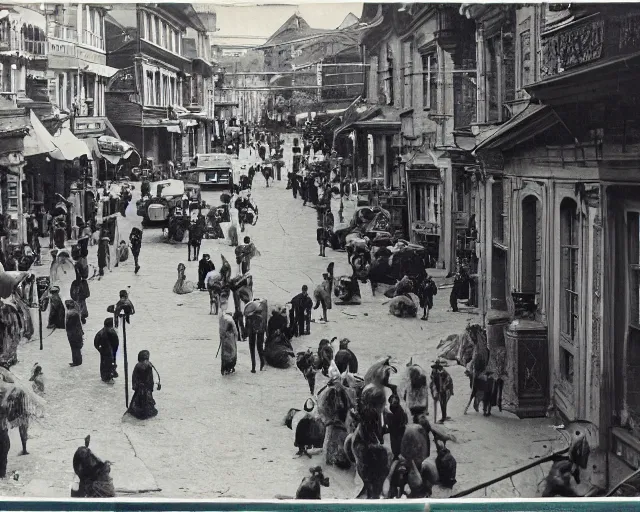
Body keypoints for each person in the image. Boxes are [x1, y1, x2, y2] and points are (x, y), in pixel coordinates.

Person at [127, 350, 158, 420]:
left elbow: (134, 376)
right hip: (146, 387)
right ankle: (145, 411)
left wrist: (135, 385)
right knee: (145, 399)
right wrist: (151, 387)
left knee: (139, 399)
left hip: (140, 387)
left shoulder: (138, 365)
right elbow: (150, 378)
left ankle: (140, 411)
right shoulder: (149, 365)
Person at [94, 318, 118, 383]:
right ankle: (108, 377)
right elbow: (116, 342)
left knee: (104, 364)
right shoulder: (112, 332)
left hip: (104, 351)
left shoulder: (100, 332)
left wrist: (100, 349)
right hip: (110, 351)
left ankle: (105, 376)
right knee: (110, 364)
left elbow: (96, 342)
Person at [65, 300, 84, 367]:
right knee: (76, 348)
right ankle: (77, 360)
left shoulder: (72, 314)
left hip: (73, 333)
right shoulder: (74, 313)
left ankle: (76, 361)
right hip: (75, 333)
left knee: (75, 348)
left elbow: (71, 325)